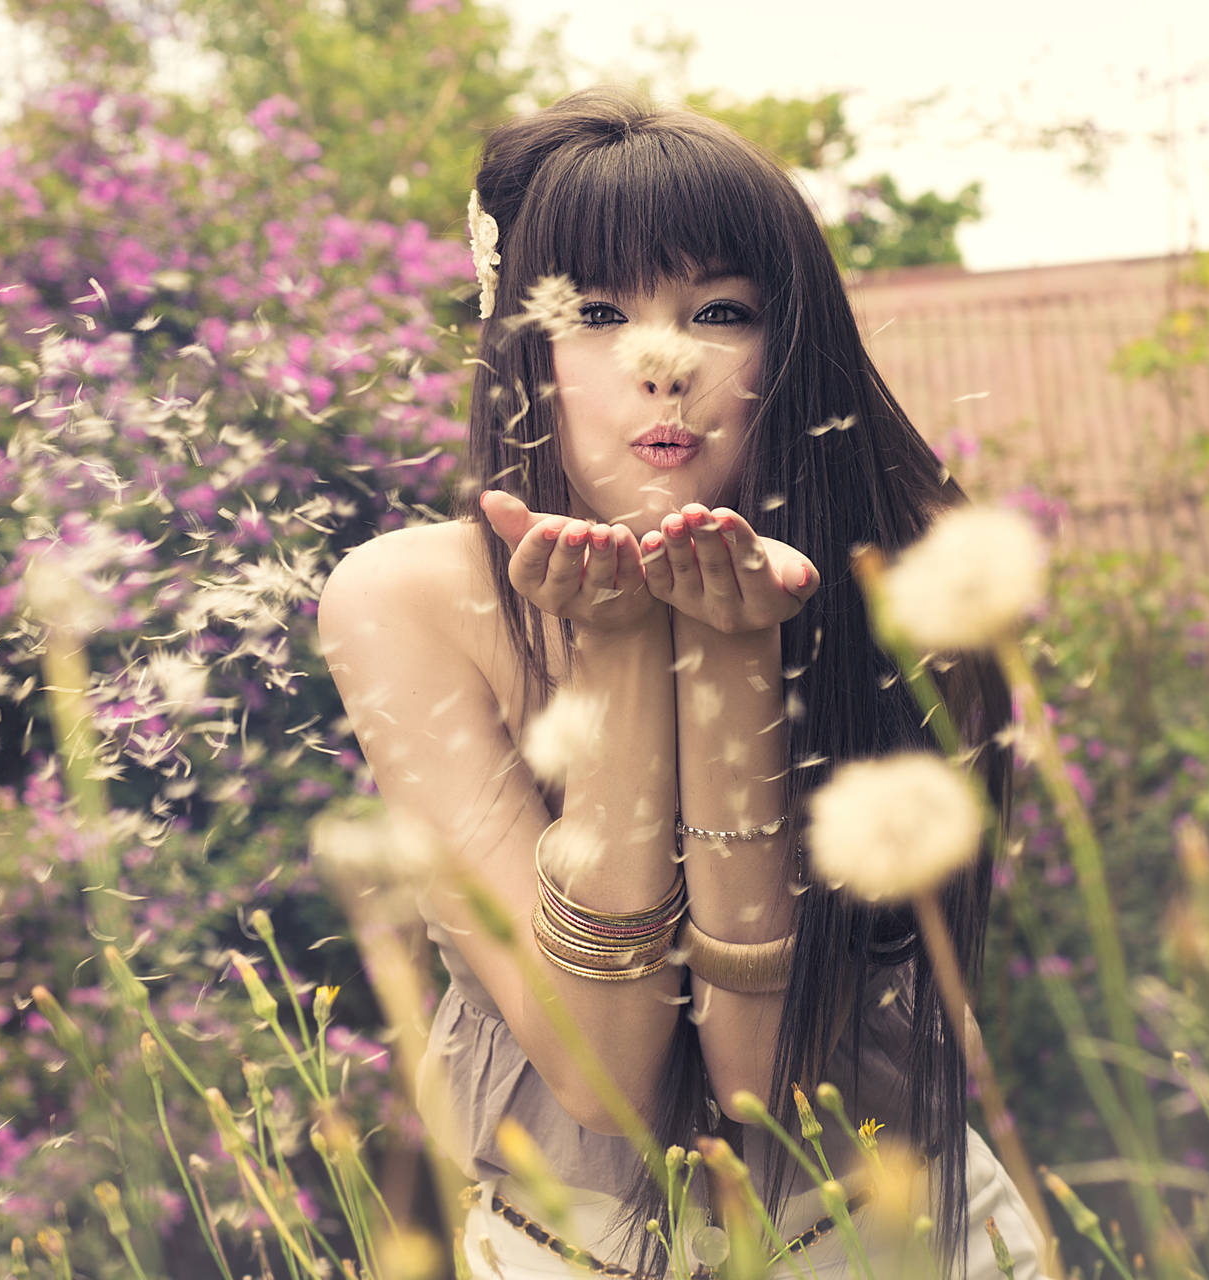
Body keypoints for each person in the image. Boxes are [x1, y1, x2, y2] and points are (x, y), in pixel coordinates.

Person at [317, 88, 1049, 1277]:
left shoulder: (912, 576)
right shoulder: (406, 600)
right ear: (525, 349)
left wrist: (730, 657)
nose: (664, 364)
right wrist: (614, 665)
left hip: (889, 1232)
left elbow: (766, 1086)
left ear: (790, 341)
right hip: (564, 1245)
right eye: (599, 311)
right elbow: (601, 1075)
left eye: (719, 310)